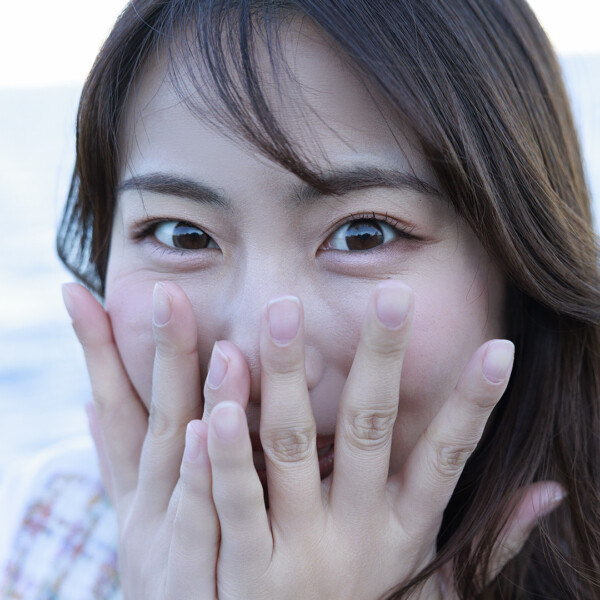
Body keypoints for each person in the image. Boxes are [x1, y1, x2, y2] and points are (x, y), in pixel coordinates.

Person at [8, 0, 600, 598]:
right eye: (183, 234)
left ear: (521, 258)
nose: (256, 358)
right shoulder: (53, 524)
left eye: (364, 234)